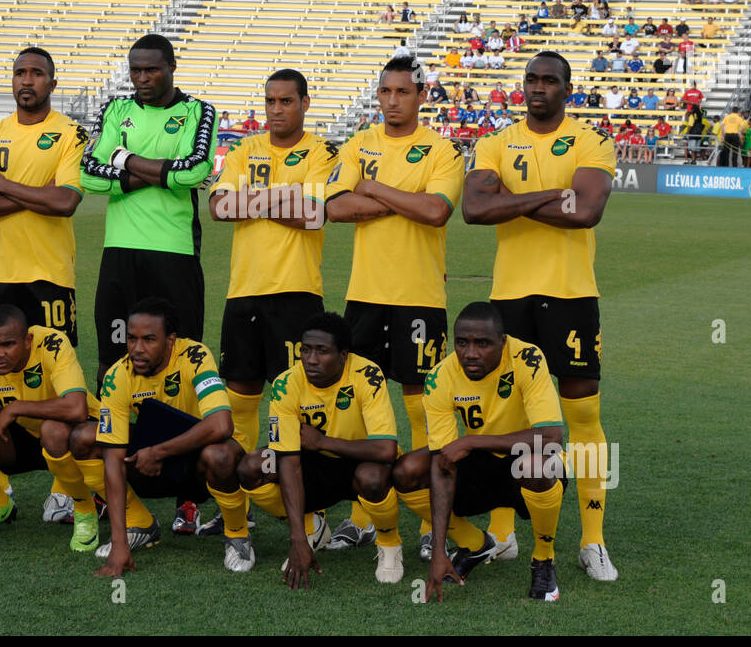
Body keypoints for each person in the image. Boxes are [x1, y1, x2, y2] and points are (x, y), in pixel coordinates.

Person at [462, 51, 619, 582]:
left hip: (573, 296)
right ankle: (504, 534)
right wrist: (554, 194)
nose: (537, 87)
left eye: (549, 80)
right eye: (530, 79)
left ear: (567, 89)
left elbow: (587, 212)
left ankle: (593, 540)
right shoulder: (495, 141)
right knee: (509, 418)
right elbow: (475, 210)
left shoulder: (591, 140)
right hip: (508, 301)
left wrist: (512, 198)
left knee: (584, 420)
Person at [325, 57, 463, 558]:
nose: (392, 100)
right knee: (361, 404)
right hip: (365, 293)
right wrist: (407, 198)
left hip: (420, 296)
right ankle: (363, 517)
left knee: (424, 406)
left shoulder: (442, 150)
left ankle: (430, 520)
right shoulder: (360, 143)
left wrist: (375, 188)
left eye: (402, 92)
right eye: (385, 91)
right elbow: (335, 208)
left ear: (421, 95)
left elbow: (436, 211)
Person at [79, 33, 215, 535]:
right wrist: (153, 170)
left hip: (175, 253)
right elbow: (89, 172)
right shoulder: (116, 108)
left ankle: (189, 497)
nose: (142, 79)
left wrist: (124, 161)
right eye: (135, 70)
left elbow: (194, 171)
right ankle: (118, 491)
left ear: (171, 67)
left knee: (184, 360)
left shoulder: (199, 111)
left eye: (152, 70)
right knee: (113, 362)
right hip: (120, 254)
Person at [0, 47, 90, 527]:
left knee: (60, 376)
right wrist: (34, 195)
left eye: (37, 73)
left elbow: (66, 202)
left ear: (52, 83)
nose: (27, 80)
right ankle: (0, 489)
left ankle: (63, 484)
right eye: (19, 72)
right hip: (1, 276)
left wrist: (5, 185)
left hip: (51, 276)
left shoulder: (69, 132)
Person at [207, 69, 338, 535]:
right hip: (243, 292)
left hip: (296, 292)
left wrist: (253, 199)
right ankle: (239, 502)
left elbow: (315, 212)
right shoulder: (245, 148)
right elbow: (219, 207)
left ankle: (307, 510)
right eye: (270, 102)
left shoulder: (322, 151)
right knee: (240, 396)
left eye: (286, 101)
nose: (276, 110)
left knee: (291, 402)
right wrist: (286, 198)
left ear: (305, 102)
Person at [394, 301, 566, 602]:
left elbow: (551, 437)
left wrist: (472, 441)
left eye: (483, 344)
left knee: (537, 467)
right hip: (483, 466)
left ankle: (543, 558)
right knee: (407, 471)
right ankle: (474, 544)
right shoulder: (440, 376)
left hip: (526, 459)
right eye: (462, 343)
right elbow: (441, 463)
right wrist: (438, 551)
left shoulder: (527, 358)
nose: (470, 353)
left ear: (503, 342)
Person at [73, 298, 247, 575]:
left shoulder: (195, 356)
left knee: (222, 454)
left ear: (170, 341)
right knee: (85, 437)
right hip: (148, 464)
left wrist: (158, 452)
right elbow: (113, 459)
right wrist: (119, 544)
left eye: (149, 339)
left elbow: (221, 424)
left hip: (195, 462)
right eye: (132, 338)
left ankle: (238, 534)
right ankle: (138, 524)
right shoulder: (118, 374)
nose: (137, 349)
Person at [238, 313, 405, 587]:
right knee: (254, 466)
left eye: (322, 351)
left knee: (373, 478)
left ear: (343, 355)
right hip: (312, 466)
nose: (311, 359)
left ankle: (389, 543)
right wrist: (298, 539)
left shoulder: (368, 374)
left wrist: (323, 442)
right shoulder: (286, 383)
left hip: (358, 461)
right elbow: (288, 461)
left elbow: (386, 449)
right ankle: (311, 528)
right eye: (306, 350)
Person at [0, 305, 95, 555]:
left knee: (53, 430)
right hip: (19, 442)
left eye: (7, 345)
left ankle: (86, 510)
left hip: (76, 440)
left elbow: (77, 408)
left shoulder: (52, 343)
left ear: (27, 340)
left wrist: (17, 407)